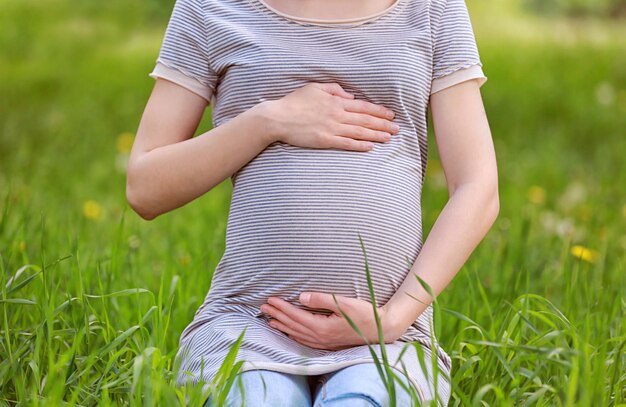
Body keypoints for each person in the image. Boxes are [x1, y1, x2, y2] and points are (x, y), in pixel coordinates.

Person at [126, 0, 499, 405]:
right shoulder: (210, 8)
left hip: (389, 340)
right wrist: (270, 121)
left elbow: (478, 186)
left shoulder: (432, 8)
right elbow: (145, 188)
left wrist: (392, 319)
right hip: (246, 329)